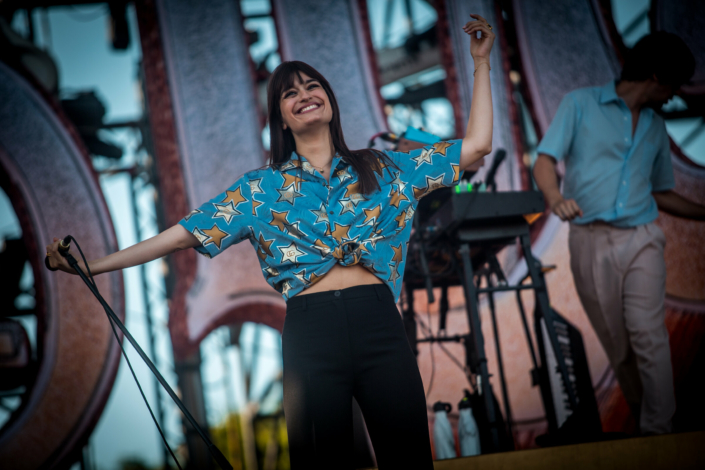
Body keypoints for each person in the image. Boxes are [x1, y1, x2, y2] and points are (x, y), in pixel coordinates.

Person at [46, 14, 495, 468]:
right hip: (311, 330)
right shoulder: (259, 189)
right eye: (290, 92)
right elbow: (179, 235)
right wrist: (91, 266)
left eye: (311, 86)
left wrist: (481, 64)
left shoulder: (384, 167)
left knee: (409, 457)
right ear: (280, 117)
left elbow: (475, 147)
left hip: (379, 322)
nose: (304, 95)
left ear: (330, 100)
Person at [533, 31, 705, 435]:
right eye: (673, 85)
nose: (674, 95)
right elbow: (544, 162)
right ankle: (647, 435)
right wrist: (555, 197)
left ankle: (659, 431)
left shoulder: (655, 128)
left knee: (648, 334)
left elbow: (662, 194)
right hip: (589, 243)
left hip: (641, 238)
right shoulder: (579, 104)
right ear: (656, 74)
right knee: (620, 347)